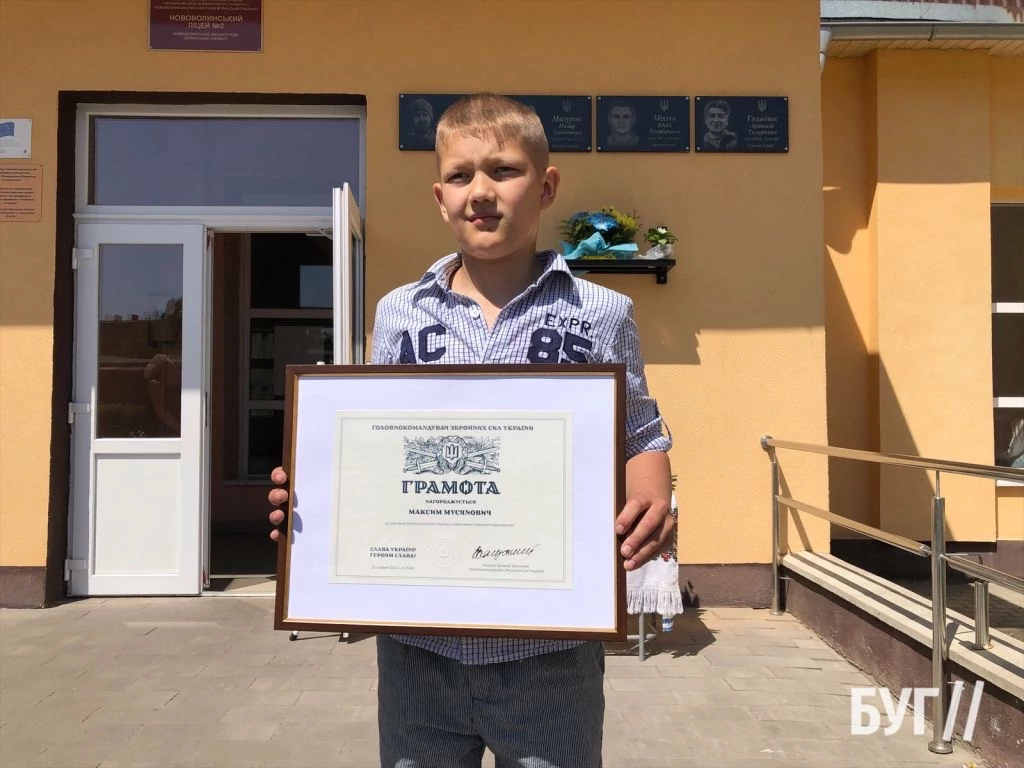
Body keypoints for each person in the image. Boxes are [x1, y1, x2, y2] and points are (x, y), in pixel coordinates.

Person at [267, 92, 674, 768]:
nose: (481, 192)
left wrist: (653, 498)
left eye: (504, 170)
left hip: (550, 653)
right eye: (460, 176)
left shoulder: (602, 312)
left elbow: (640, 432)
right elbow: (373, 449)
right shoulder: (400, 313)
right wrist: (315, 501)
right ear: (440, 197)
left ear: (546, 187)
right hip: (417, 654)